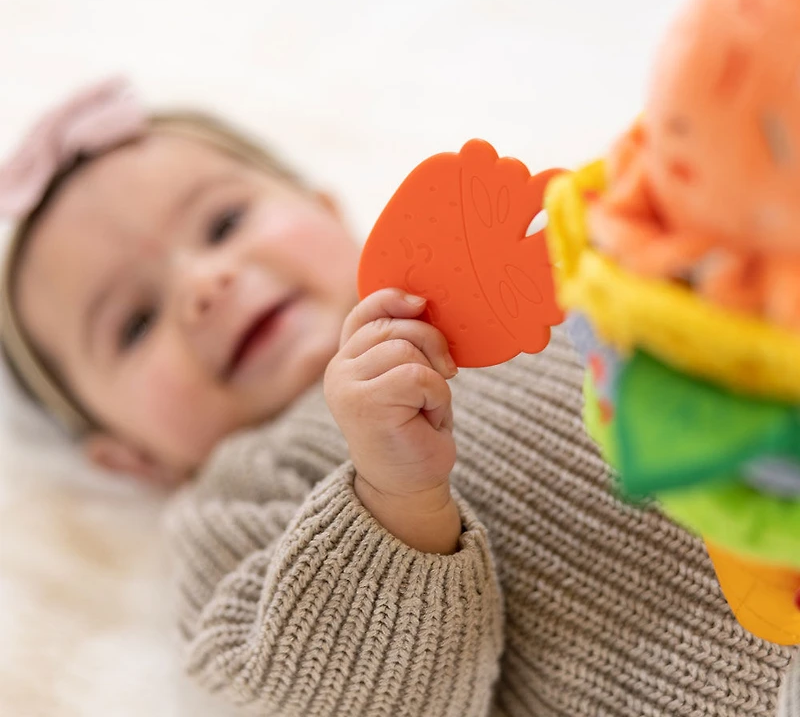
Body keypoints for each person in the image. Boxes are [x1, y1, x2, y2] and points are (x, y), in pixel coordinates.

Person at [0, 78, 792, 716]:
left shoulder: (514, 267)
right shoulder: (237, 496)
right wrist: (391, 499)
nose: (205, 285)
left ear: (329, 213)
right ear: (130, 458)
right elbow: (315, 694)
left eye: (223, 223)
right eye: (134, 323)